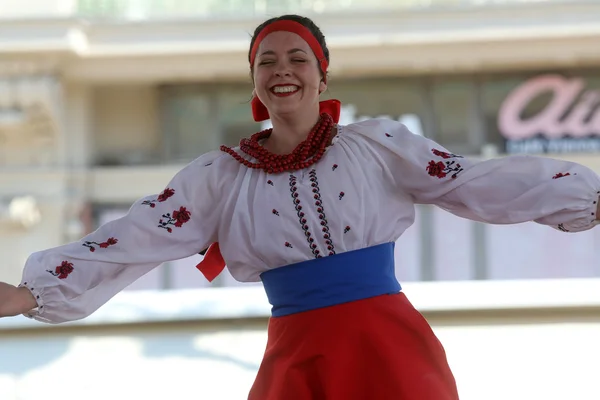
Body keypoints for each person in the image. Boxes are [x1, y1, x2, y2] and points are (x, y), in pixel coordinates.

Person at [1, 13, 599, 400]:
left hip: (386, 344)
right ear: (254, 83)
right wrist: (33, 293)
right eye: (267, 61)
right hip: (296, 351)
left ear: (322, 75)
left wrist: (588, 198)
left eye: (297, 59)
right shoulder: (220, 176)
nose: (282, 70)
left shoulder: (378, 144)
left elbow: (471, 182)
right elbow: (141, 234)